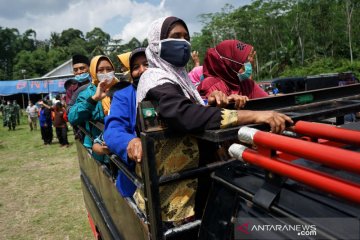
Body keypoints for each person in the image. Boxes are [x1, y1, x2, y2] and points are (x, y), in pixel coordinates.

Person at [136, 16, 293, 223]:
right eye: (175, 37)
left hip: (194, 176)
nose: (183, 42)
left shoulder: (177, 76)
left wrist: (213, 103)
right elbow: (185, 115)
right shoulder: (156, 80)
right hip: (174, 189)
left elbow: (193, 108)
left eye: (186, 37)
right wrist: (254, 115)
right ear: (156, 44)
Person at [104, 47, 148, 198]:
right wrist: (130, 141)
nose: (142, 70)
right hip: (138, 175)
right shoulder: (124, 95)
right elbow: (113, 130)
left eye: (147, 64)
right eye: (136, 67)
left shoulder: (171, 88)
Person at [68, 55, 119, 163]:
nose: (105, 73)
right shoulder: (87, 93)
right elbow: (72, 117)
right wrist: (94, 99)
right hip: (99, 149)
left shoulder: (122, 87)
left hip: (121, 144)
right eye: (100, 70)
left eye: (109, 69)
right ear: (93, 72)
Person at [197, 40, 269, 100]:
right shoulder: (211, 84)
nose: (247, 67)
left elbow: (267, 102)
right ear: (228, 66)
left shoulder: (246, 83)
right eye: (242, 63)